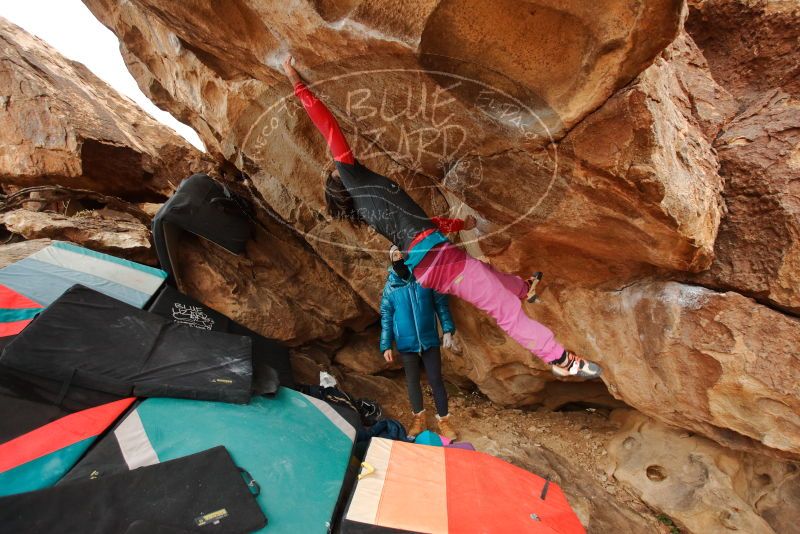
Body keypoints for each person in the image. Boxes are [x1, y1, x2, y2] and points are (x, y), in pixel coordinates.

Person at [282, 55, 601, 379]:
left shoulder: (373, 204)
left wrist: (463, 225)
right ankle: (559, 359)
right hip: (436, 261)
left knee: (486, 276)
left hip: (433, 255)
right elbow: (327, 126)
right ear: (342, 180)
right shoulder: (355, 179)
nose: (333, 160)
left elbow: (426, 225)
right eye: (334, 166)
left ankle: (523, 288)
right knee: (503, 311)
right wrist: (294, 79)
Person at [381, 245, 459, 440]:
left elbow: (441, 304)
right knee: (412, 382)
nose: (398, 256)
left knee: (435, 380)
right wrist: (386, 345)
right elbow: (386, 317)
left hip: (428, 338)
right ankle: (419, 419)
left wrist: (448, 329)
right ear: (391, 260)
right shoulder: (390, 287)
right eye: (394, 255)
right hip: (406, 342)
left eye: (400, 253)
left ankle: (444, 421)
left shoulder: (425, 278)